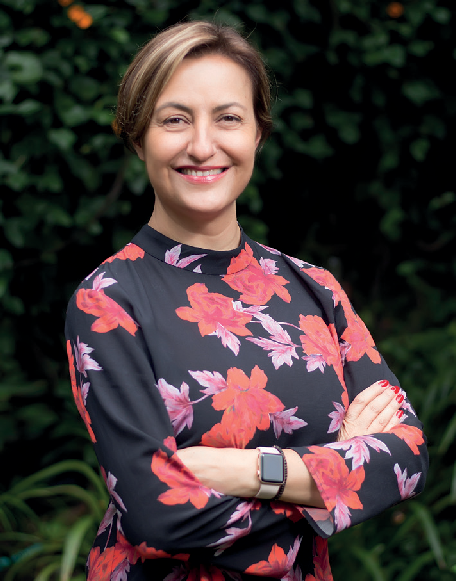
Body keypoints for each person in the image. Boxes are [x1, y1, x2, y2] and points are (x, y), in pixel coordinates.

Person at [65, 20, 428, 581]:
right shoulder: (109, 301)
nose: (202, 146)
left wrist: (246, 470)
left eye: (228, 118)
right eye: (175, 119)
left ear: (258, 133)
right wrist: (332, 482)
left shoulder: (316, 289)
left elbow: (407, 459)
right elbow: (158, 517)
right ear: (139, 137)